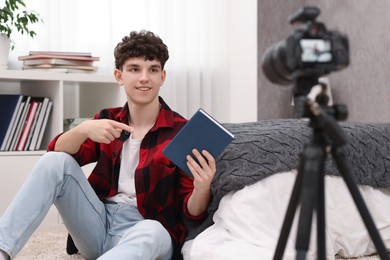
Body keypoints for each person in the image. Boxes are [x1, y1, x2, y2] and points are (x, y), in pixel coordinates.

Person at [0, 30, 216, 260]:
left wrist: (202, 188)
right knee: (55, 161)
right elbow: (55, 154)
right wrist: (83, 129)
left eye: (153, 69)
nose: (144, 78)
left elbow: (192, 213)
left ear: (162, 77)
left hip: (144, 230)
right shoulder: (107, 120)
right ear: (119, 75)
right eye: (134, 69)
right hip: (97, 224)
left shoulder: (182, 131)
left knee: (155, 231)